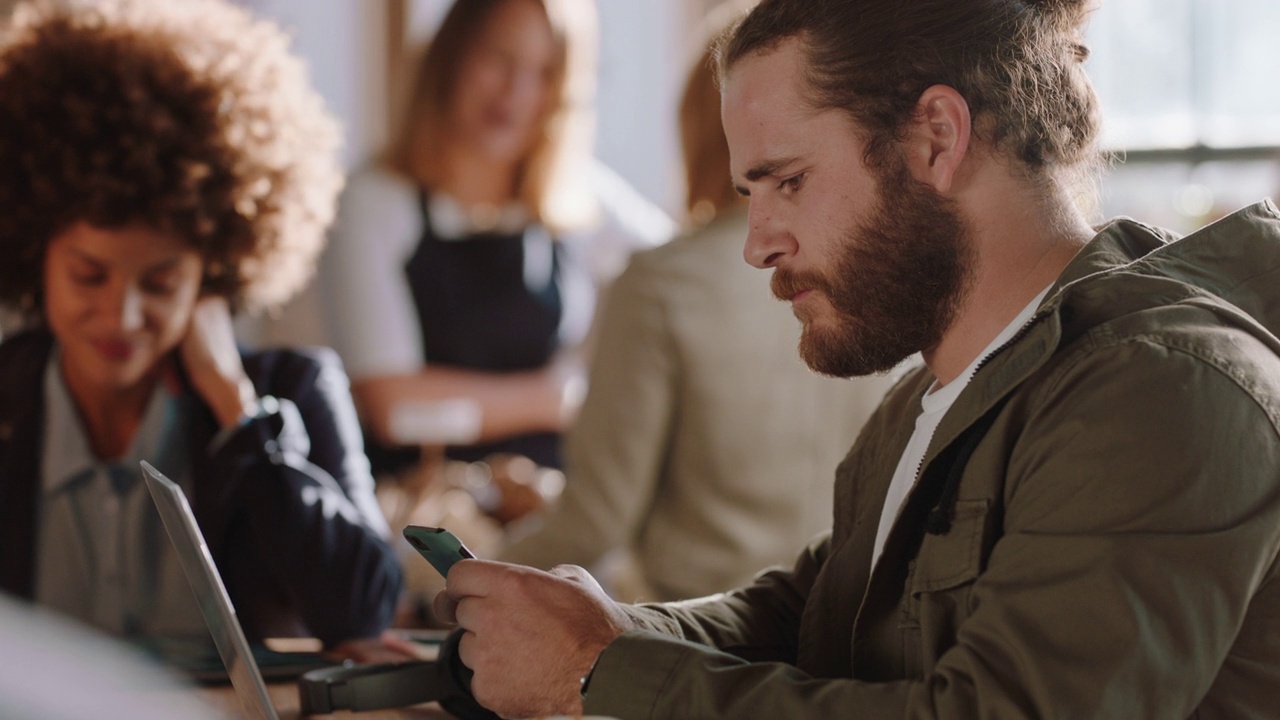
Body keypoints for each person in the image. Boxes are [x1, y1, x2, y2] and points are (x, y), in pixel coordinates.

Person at [423, 0, 1280, 717]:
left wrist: (593, 667)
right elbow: (812, 612)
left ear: (937, 138)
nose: (756, 244)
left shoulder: (1160, 388)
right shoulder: (929, 398)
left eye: (787, 180)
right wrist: (600, 626)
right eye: (750, 193)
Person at [0, 0, 402, 651]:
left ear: (212, 275)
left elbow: (360, 610)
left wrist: (237, 411)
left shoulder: (292, 392)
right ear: (34, 249)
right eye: (89, 275)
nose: (122, 315)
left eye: (159, 283)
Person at [497, 0, 899, 602]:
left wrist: (462, 569)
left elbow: (596, 521)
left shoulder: (663, 286)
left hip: (701, 638)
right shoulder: (892, 271)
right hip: (852, 634)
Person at [318, 0, 673, 479]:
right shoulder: (373, 202)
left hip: (551, 500)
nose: (516, 92)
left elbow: (680, 265)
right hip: (423, 511)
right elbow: (393, 407)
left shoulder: (581, 201)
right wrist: (556, 399)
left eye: (545, 72)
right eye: (499, 59)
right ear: (452, 55)